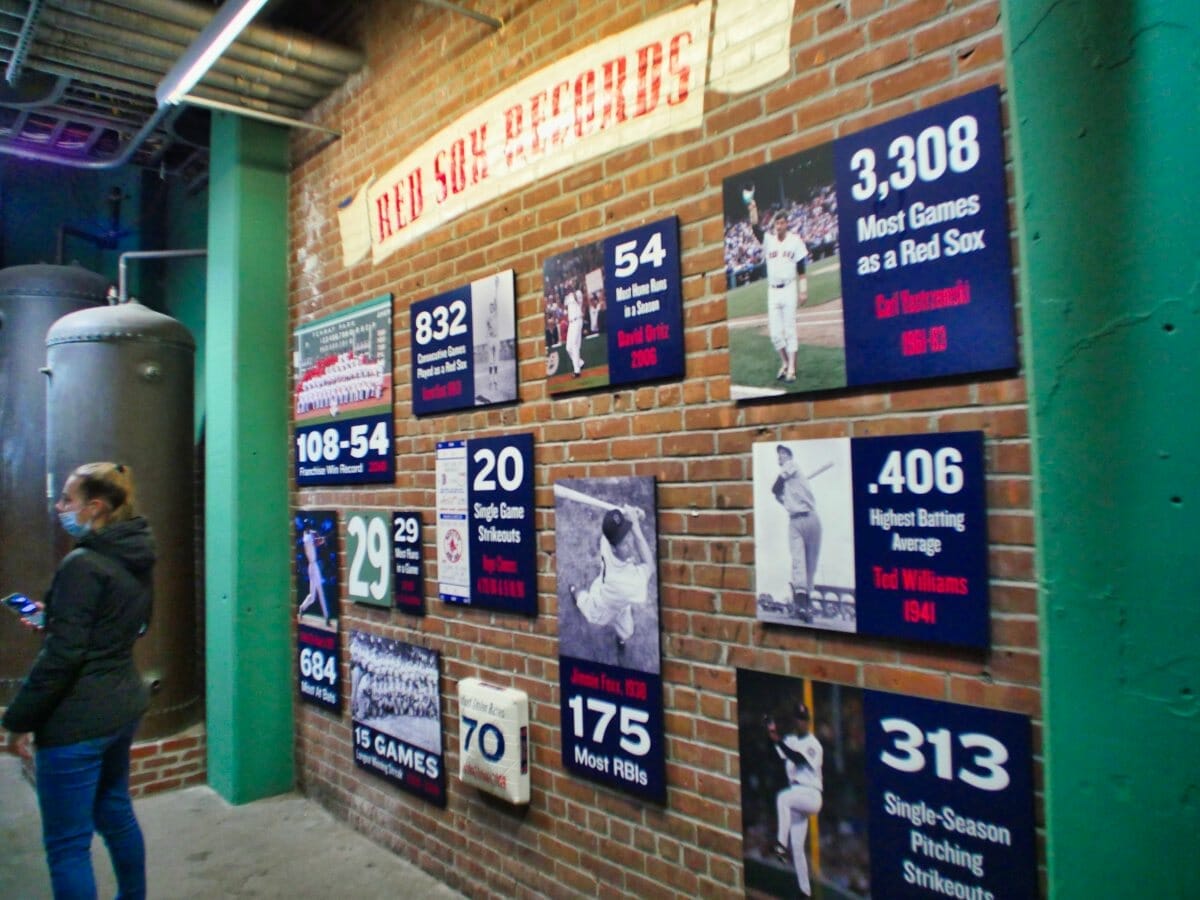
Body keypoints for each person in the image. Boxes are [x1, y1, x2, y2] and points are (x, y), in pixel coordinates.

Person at [2, 461, 154, 900]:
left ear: (96, 507)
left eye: (67, 499)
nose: (59, 506)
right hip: (122, 704)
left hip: (77, 722)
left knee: (68, 847)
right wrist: (59, 618)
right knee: (116, 814)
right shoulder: (137, 550)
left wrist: (19, 718)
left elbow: (63, 657)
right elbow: (131, 623)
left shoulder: (82, 564)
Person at [569, 505, 652, 659]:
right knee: (583, 601)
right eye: (624, 542)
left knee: (627, 631)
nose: (629, 542)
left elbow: (620, 515)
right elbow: (650, 565)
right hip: (601, 605)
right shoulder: (628, 583)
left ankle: (620, 640)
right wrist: (637, 529)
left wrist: (637, 515)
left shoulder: (606, 540)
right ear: (614, 548)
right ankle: (575, 592)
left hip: (618, 603)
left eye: (627, 535)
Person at [767, 702, 824, 898]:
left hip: (811, 794)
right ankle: (805, 893)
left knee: (783, 798)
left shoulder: (814, 744)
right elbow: (781, 750)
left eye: (804, 719)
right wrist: (772, 732)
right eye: (798, 718)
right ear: (794, 720)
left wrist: (779, 741)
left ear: (808, 722)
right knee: (798, 846)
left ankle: (780, 845)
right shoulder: (791, 739)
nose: (801, 722)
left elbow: (797, 759)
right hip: (798, 795)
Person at [749, 199, 809, 382]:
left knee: (790, 330)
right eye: (776, 223)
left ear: (787, 223)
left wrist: (803, 290)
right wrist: (753, 209)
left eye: (782, 223)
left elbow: (801, 268)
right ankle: (784, 362)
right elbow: (755, 229)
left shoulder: (795, 241)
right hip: (773, 290)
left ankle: (792, 368)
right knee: (775, 334)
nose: (779, 226)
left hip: (789, 287)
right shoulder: (769, 241)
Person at [772, 444, 821, 623]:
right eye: (779, 454)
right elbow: (781, 496)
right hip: (795, 520)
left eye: (782, 453)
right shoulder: (789, 485)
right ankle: (801, 606)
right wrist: (781, 497)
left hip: (810, 517)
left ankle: (806, 606)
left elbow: (775, 487)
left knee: (810, 565)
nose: (780, 457)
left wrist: (778, 491)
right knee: (799, 562)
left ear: (788, 455)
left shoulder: (792, 465)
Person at [297, 524, 331, 625]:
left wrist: (320, 537)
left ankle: (302, 607)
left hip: (313, 566)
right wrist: (322, 540)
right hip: (313, 566)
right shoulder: (306, 538)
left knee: (312, 596)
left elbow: (315, 534)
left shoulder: (308, 534)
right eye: (307, 528)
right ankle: (327, 616)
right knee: (320, 591)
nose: (309, 529)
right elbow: (316, 541)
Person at [564, 283, 585, 377]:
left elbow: (578, 300)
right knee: (568, 348)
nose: (568, 288)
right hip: (570, 323)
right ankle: (579, 362)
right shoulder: (568, 297)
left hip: (577, 321)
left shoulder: (578, 293)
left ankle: (577, 371)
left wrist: (572, 289)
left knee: (574, 345)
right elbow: (564, 305)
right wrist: (567, 292)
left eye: (569, 287)